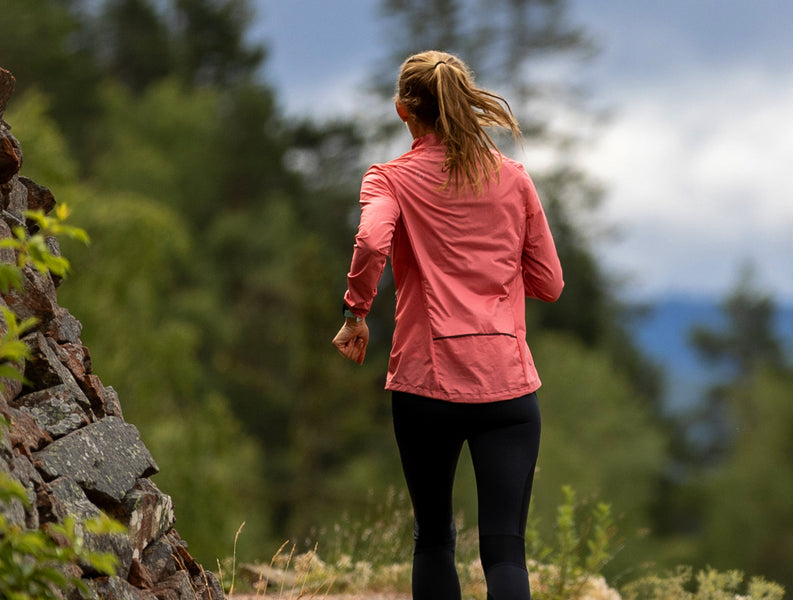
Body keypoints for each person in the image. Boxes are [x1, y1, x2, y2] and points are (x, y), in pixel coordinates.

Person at [332, 50, 563, 600]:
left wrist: (356, 312)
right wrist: (492, 278)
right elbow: (550, 282)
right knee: (506, 549)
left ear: (402, 111)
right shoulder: (513, 179)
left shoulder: (390, 179)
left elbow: (369, 241)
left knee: (433, 537)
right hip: (507, 383)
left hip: (425, 382)